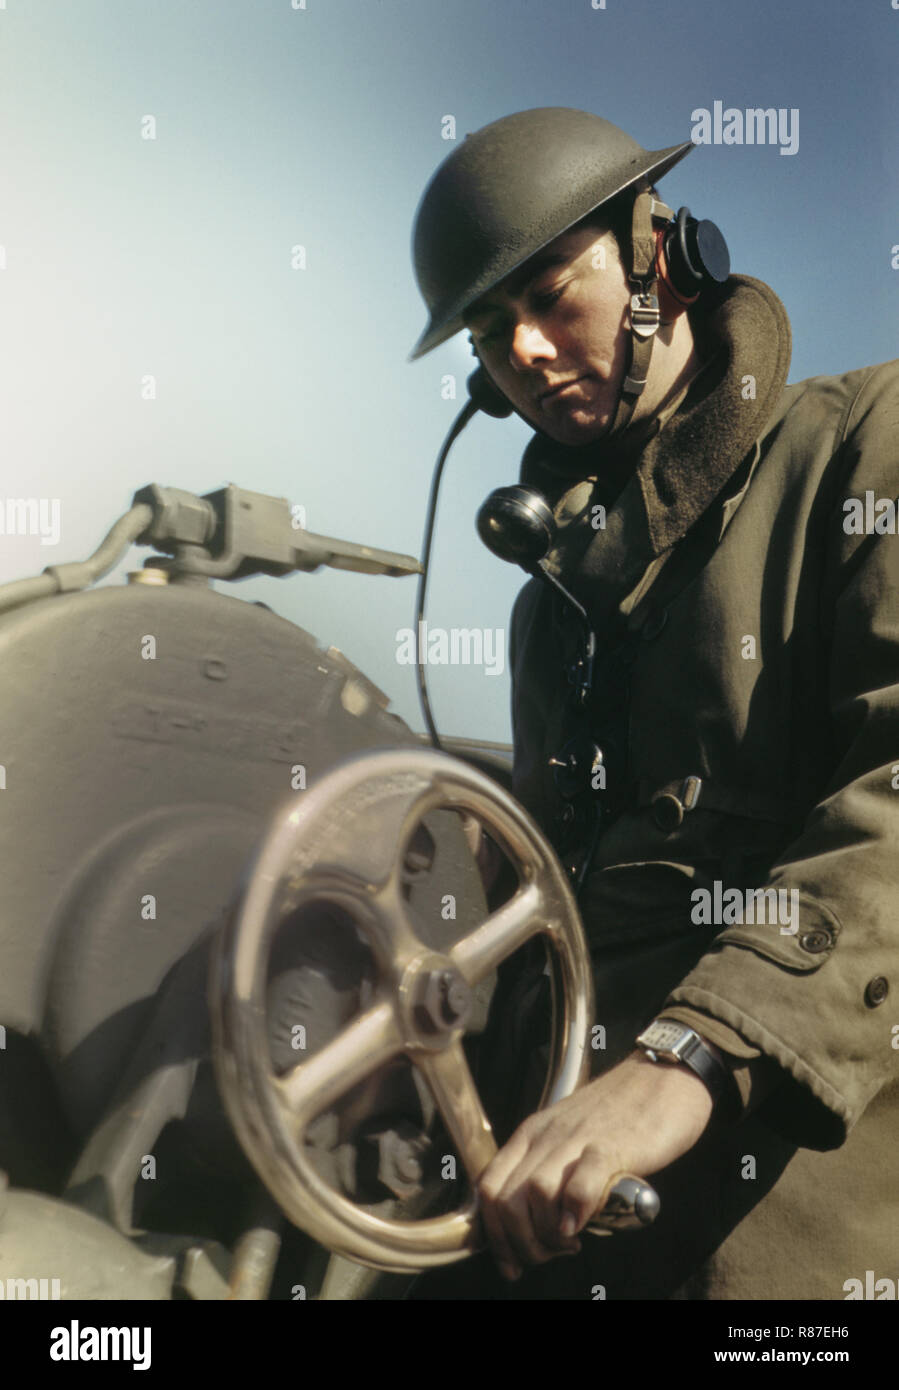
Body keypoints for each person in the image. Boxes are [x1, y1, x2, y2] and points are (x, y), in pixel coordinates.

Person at [406, 107, 899, 1299]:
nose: (521, 353)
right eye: (488, 331)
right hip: (550, 1221)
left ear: (658, 263)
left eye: (547, 296)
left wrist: (685, 1056)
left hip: (783, 1246)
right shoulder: (548, 610)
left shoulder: (860, 451)